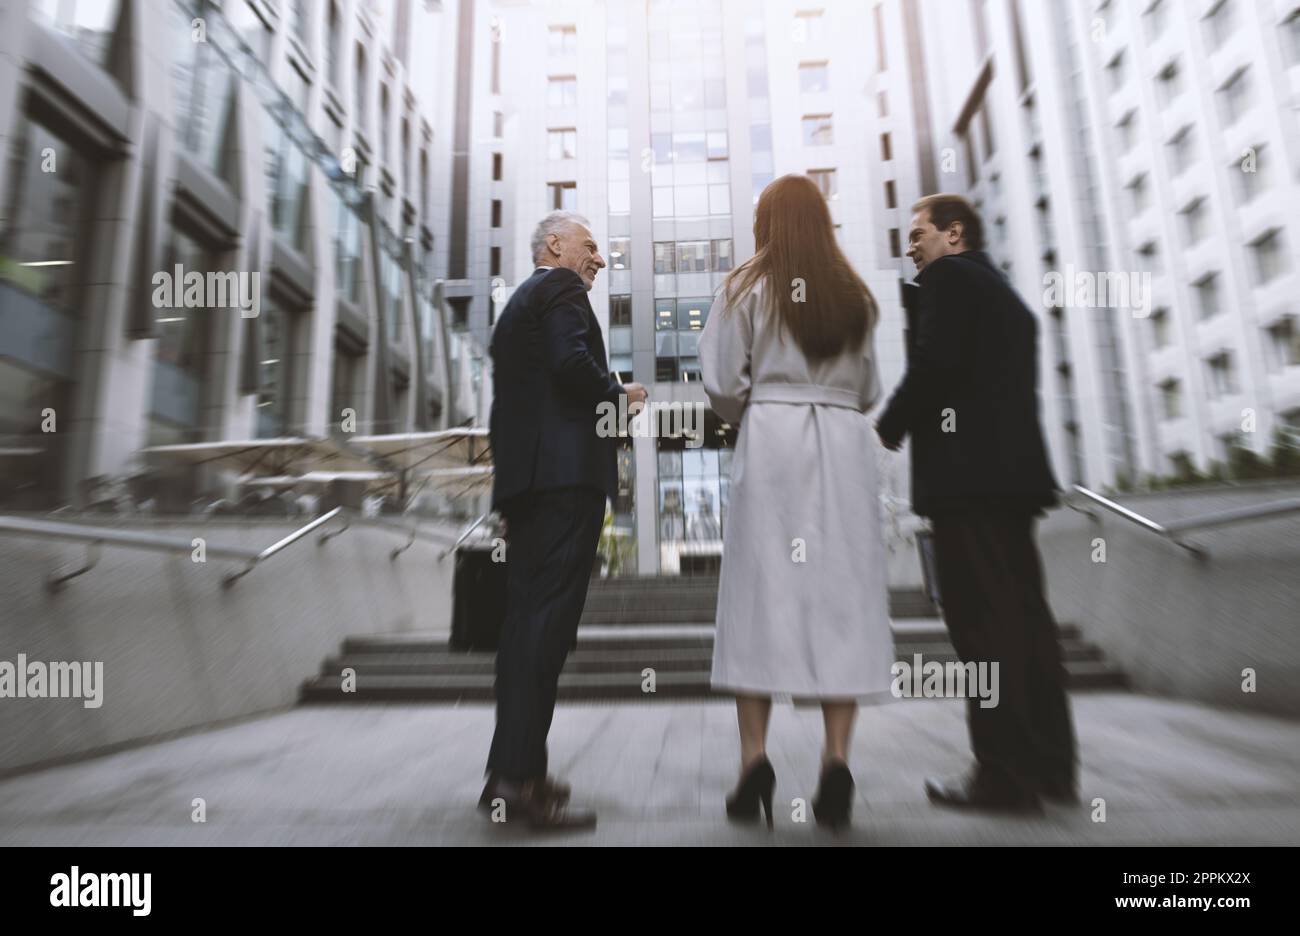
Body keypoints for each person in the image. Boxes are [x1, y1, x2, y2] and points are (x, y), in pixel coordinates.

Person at [698, 174, 894, 830]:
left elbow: (723, 382)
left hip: (774, 441)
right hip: (843, 445)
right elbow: (869, 389)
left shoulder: (745, 286)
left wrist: (755, 406)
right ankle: (836, 761)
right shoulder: (856, 294)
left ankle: (754, 761)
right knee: (844, 600)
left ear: (766, 222)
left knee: (760, 598)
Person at [876, 194, 1078, 814]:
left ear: (953, 234)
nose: (910, 246)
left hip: (967, 484)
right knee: (1026, 623)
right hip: (1014, 483)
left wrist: (888, 425)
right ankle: (1049, 767)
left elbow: (935, 362)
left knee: (981, 630)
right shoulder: (1005, 295)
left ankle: (1002, 775)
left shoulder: (949, 277)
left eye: (918, 234)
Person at [482, 210, 648, 830]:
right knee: (544, 633)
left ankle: (511, 773)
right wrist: (619, 396)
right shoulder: (559, 288)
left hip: (530, 485)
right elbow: (572, 366)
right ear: (555, 245)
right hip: (563, 483)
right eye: (591, 246)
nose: (599, 260)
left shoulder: (520, 304)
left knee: (527, 630)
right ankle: (519, 781)